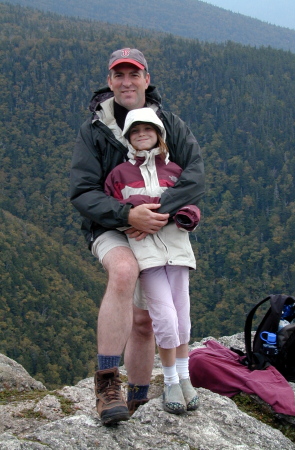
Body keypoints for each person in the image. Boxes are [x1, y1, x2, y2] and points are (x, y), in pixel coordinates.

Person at [69, 48, 205, 425]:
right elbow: (82, 192)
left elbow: (194, 174)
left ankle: (138, 398)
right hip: (110, 225)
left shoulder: (169, 124)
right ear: (109, 82)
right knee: (125, 272)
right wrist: (127, 214)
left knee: (146, 320)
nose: (126, 82)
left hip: (158, 225)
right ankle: (107, 384)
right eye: (119, 76)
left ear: (147, 79)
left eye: (134, 74)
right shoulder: (94, 130)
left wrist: (158, 213)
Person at [104, 107, 200, 414]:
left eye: (148, 129)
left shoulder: (174, 170)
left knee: (182, 318)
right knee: (165, 319)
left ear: (159, 134)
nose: (141, 134)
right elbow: (111, 210)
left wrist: (186, 217)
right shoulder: (119, 174)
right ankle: (170, 380)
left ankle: (185, 379)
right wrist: (127, 221)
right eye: (134, 131)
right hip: (147, 258)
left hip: (179, 252)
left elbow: (190, 204)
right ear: (128, 139)